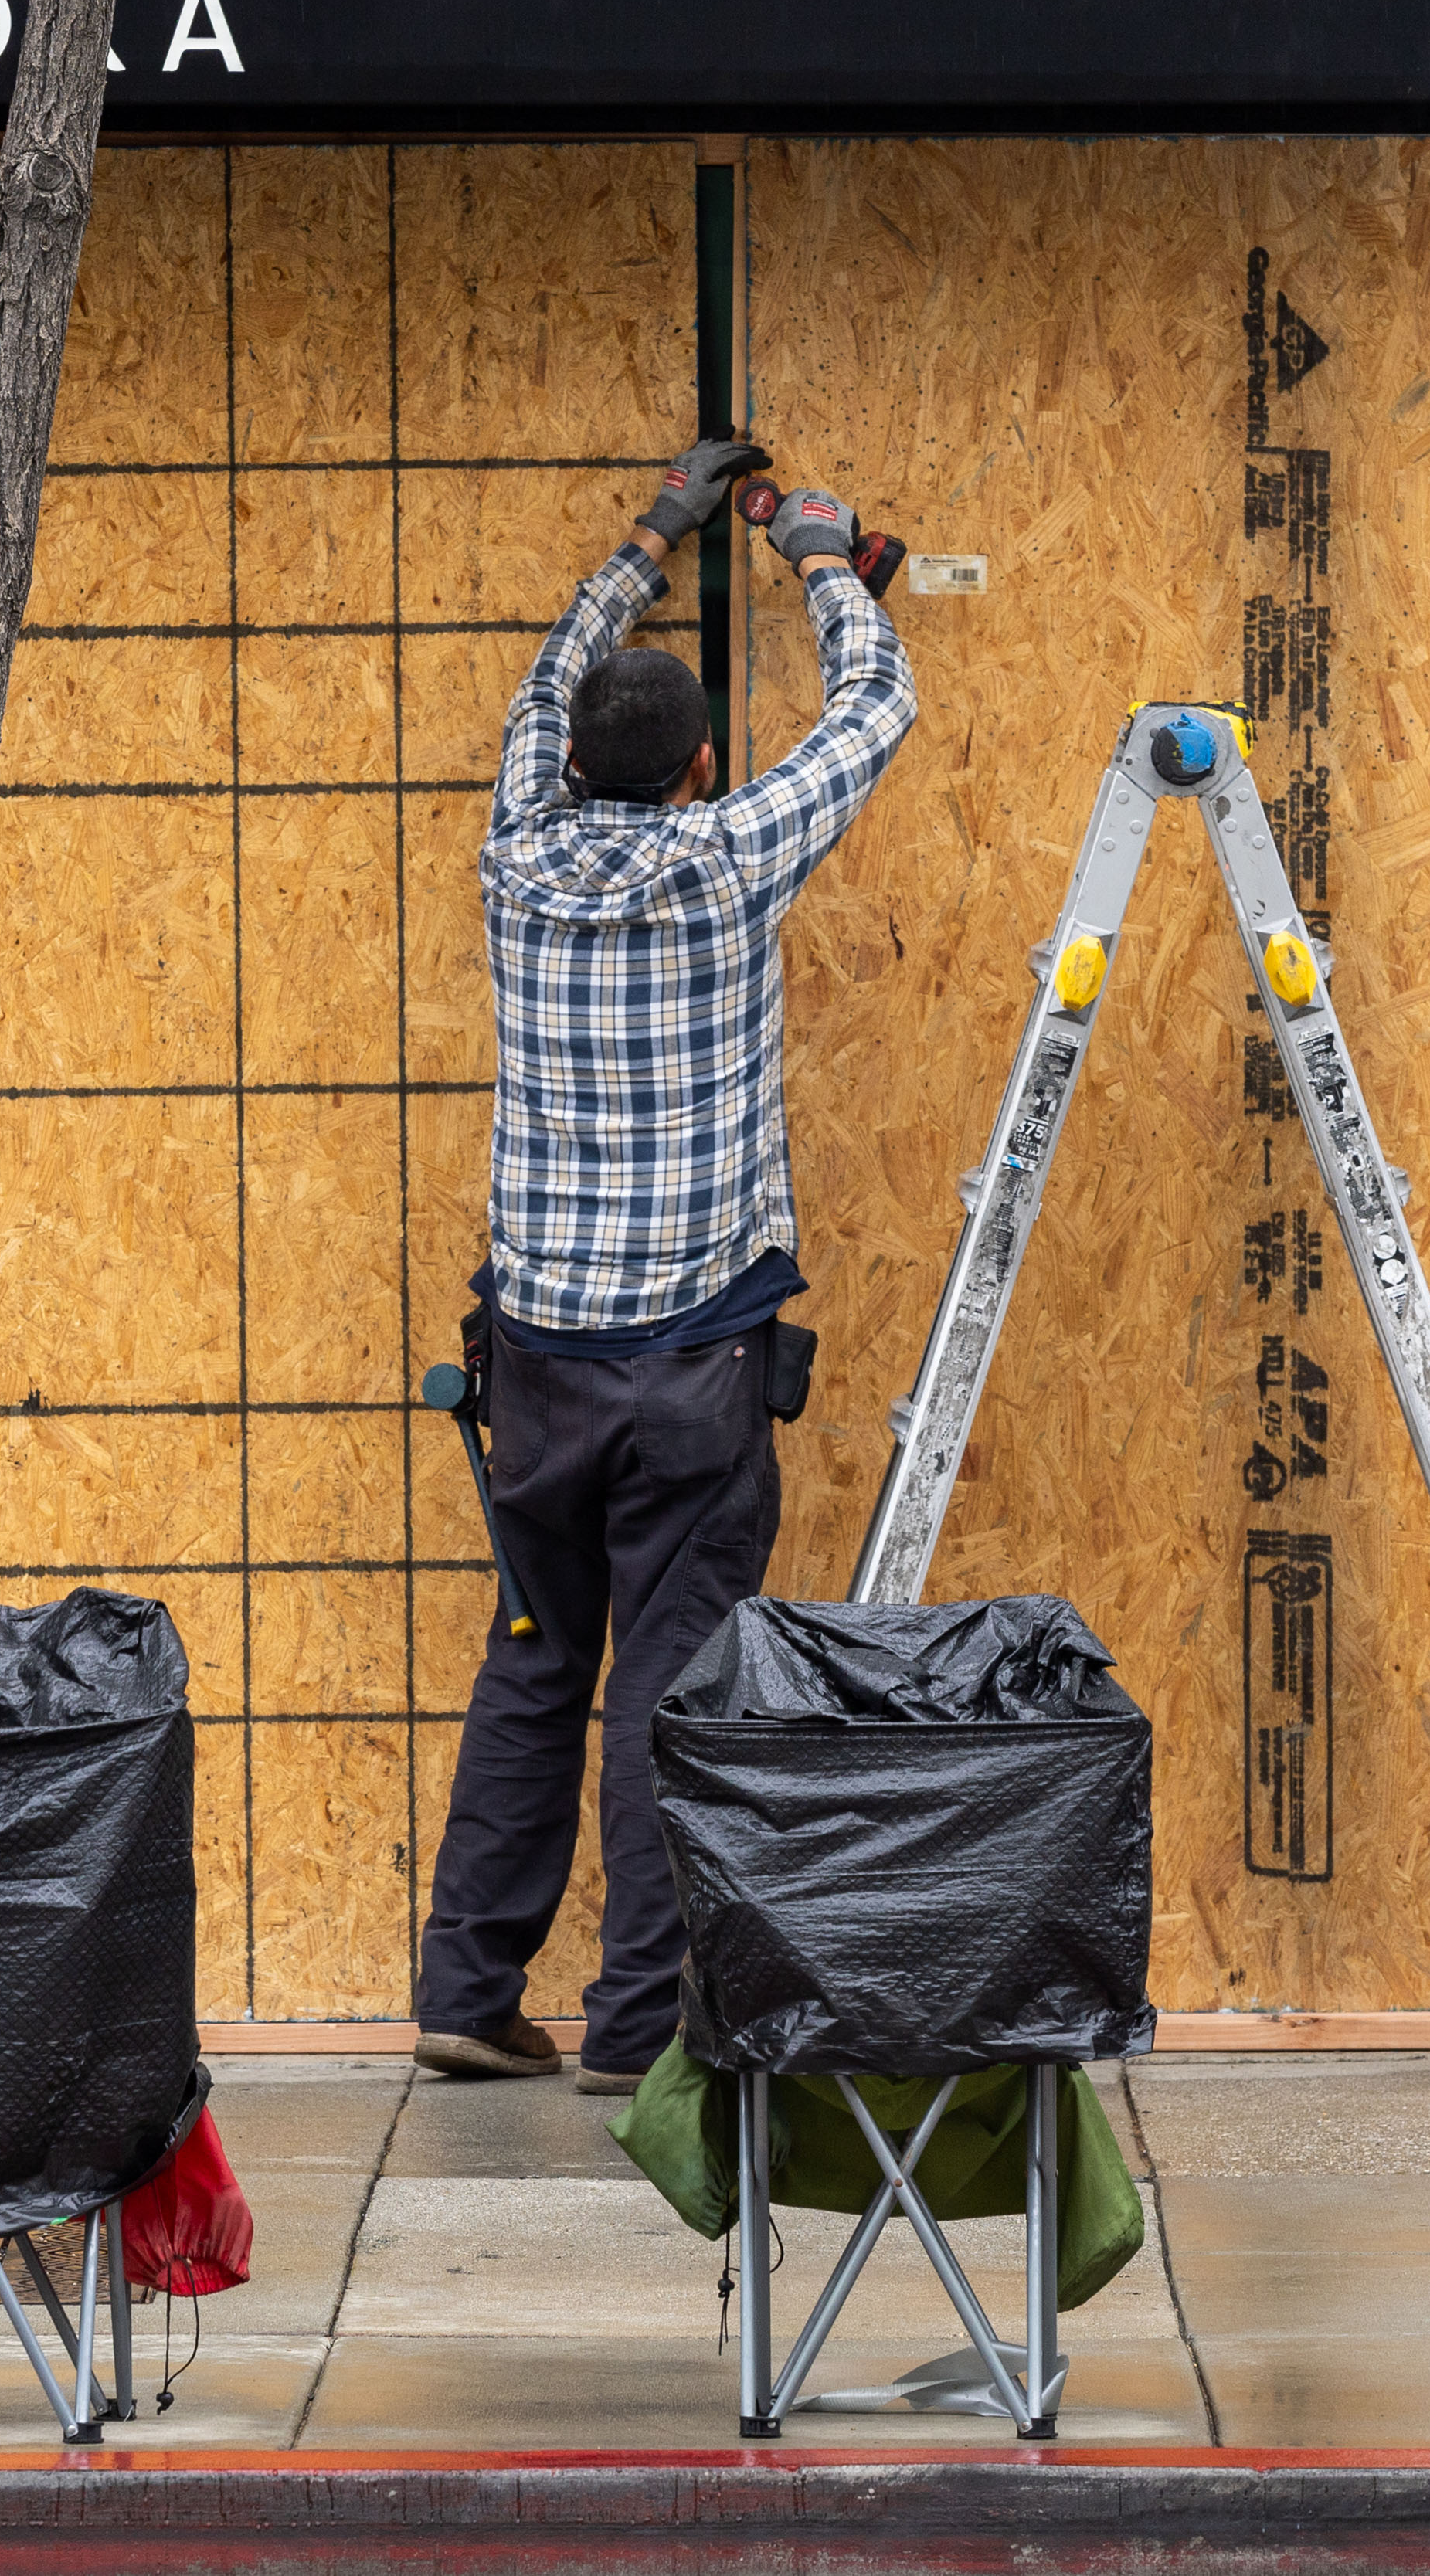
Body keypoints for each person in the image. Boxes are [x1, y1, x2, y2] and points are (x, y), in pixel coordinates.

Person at [411, 439, 918, 2096]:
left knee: (534, 1658)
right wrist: (827, 565)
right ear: (703, 764)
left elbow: (549, 684)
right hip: (691, 1368)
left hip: (536, 1360)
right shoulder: (728, 858)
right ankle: (636, 2030)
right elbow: (871, 723)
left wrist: (650, 536)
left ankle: (466, 1986)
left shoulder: (514, 850)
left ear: (571, 763)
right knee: (667, 1686)